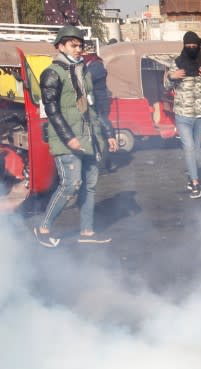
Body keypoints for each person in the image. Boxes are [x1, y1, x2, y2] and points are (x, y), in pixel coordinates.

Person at [34, 25, 118, 247]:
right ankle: (43, 228)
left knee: (89, 185)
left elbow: (93, 107)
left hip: (90, 137)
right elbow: (52, 110)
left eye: (81, 45)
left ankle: (87, 232)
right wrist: (68, 137)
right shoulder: (52, 73)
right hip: (67, 139)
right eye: (74, 45)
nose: (79, 49)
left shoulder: (84, 71)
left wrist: (107, 133)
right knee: (70, 185)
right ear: (60, 46)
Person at [164, 31, 201, 199]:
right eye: (188, 46)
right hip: (182, 114)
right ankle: (195, 182)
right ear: (184, 46)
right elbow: (165, 85)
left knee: (197, 150)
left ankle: (191, 174)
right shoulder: (177, 63)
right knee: (189, 148)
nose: (191, 48)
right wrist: (171, 76)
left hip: (200, 114)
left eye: (194, 46)